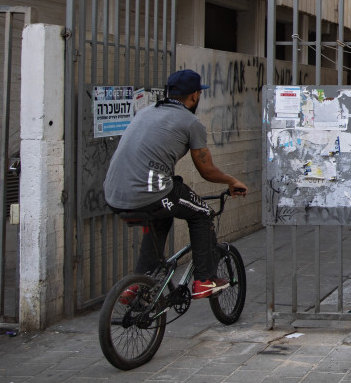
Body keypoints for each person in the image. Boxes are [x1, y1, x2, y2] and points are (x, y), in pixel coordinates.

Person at [104, 69, 248, 298]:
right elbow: (207, 171)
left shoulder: (144, 113)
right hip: (150, 192)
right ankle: (204, 281)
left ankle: (140, 282)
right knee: (202, 213)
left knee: (161, 216)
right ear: (194, 96)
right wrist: (232, 181)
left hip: (113, 194)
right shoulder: (191, 123)